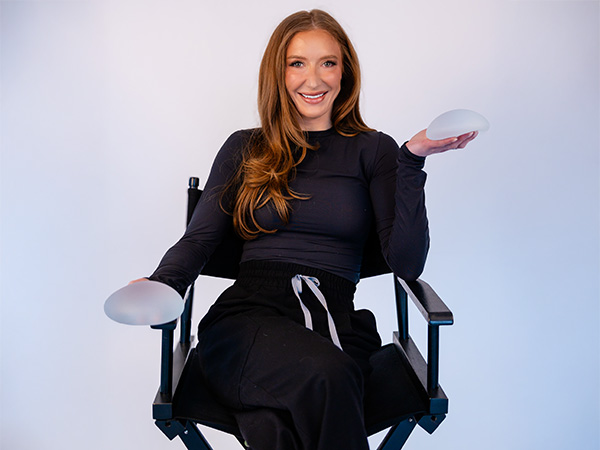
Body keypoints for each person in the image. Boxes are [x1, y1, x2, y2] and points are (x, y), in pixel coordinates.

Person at [132, 9, 477, 450]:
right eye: (297, 63)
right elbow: (199, 240)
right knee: (329, 378)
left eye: (327, 63)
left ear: (344, 71)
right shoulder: (245, 147)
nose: (313, 79)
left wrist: (411, 161)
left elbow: (406, 264)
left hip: (336, 324)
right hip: (248, 321)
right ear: (278, 73)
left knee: (276, 429)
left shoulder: (375, 151)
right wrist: (162, 284)